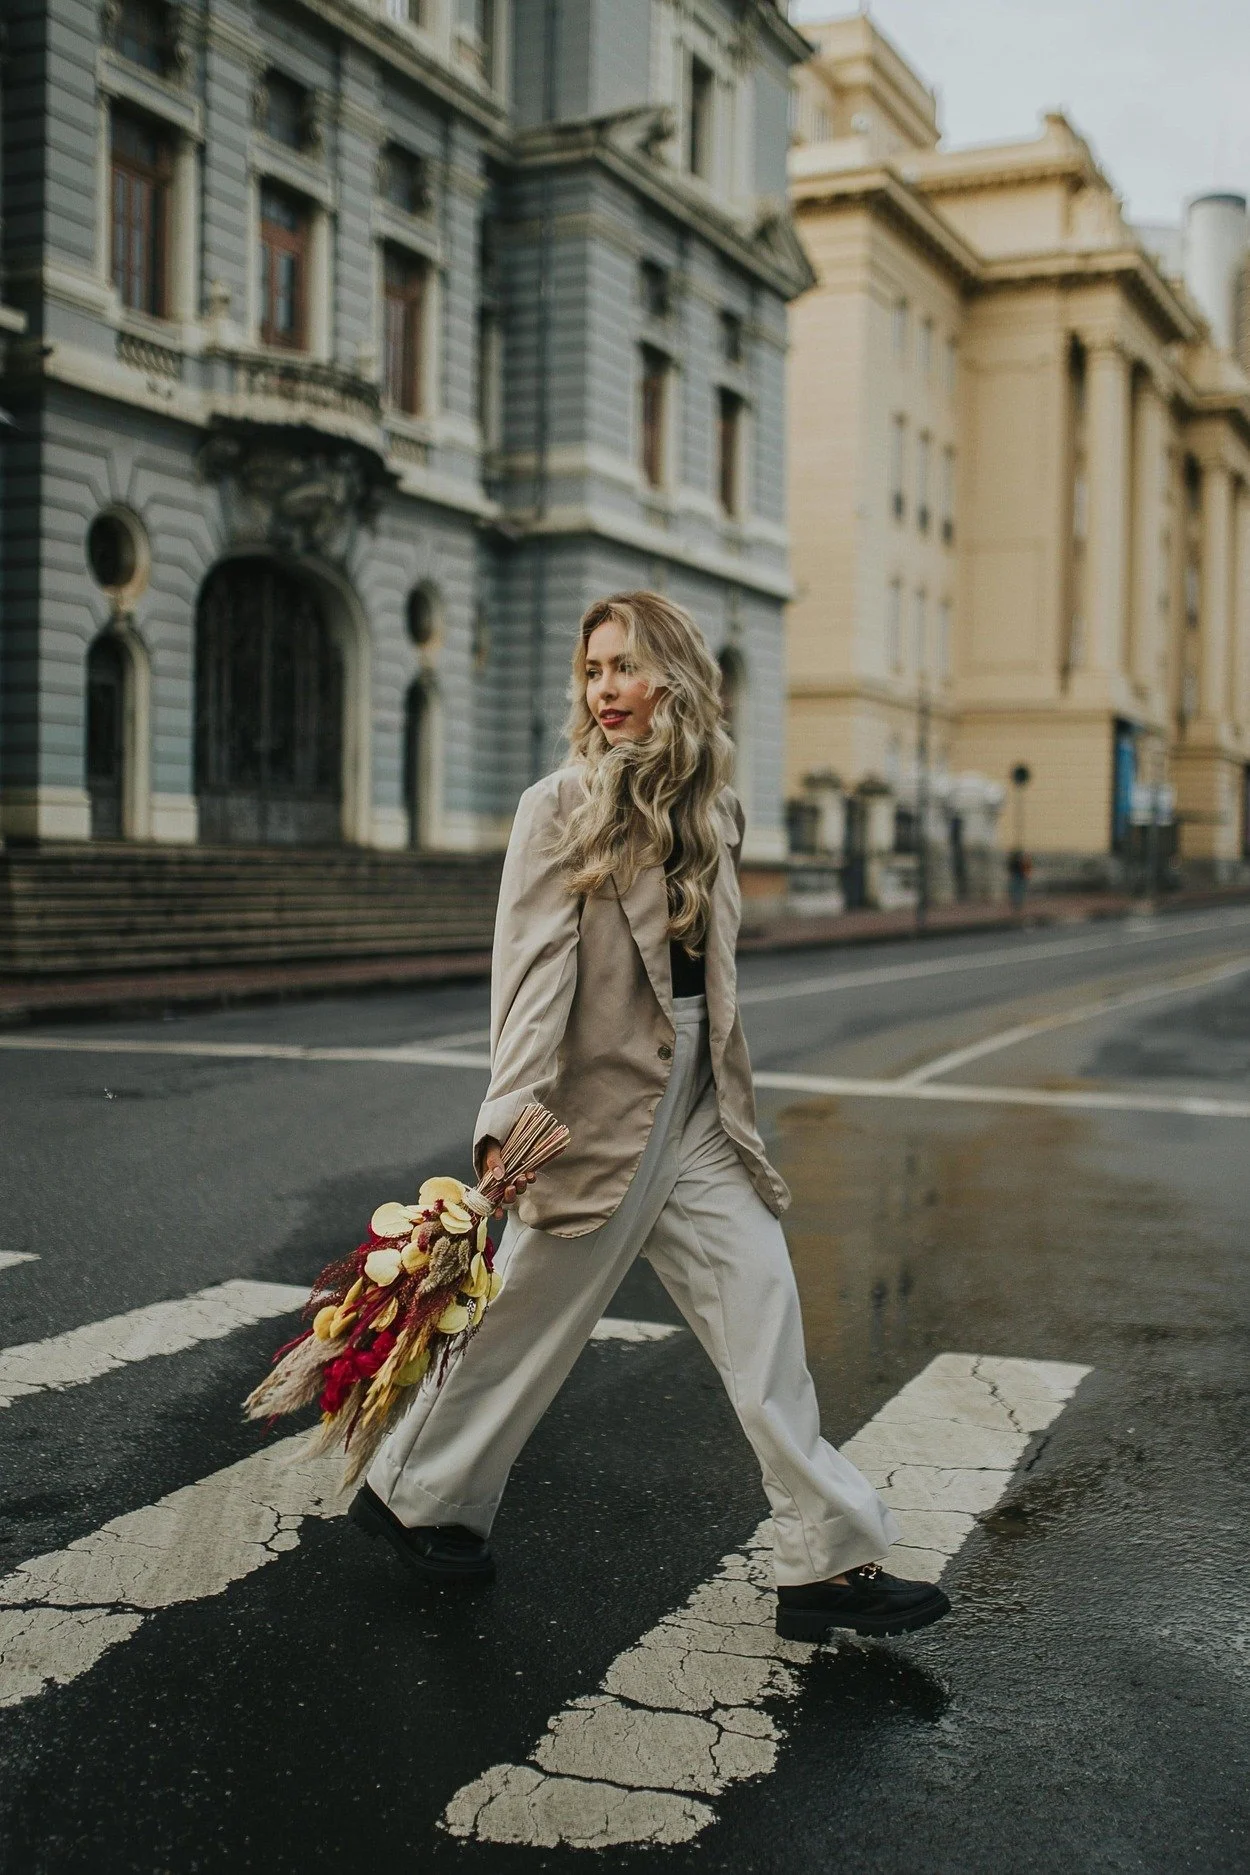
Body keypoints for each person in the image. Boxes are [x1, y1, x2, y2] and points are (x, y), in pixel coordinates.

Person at [350, 591, 950, 1642]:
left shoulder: (713, 807)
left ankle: (824, 1561)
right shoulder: (559, 805)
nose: (605, 690)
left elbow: (706, 983)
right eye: (591, 671)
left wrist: (719, 1099)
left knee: (763, 1315)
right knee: (528, 1317)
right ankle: (414, 1494)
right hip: (589, 1112)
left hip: (700, 1112)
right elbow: (533, 972)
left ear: (673, 672)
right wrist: (510, 1117)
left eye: (623, 666)